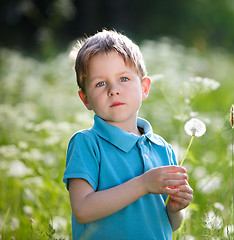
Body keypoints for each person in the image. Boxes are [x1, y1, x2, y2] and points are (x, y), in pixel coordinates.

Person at [63, 29, 193, 240]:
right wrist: (143, 184)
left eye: (123, 78)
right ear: (85, 98)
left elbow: (170, 224)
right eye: (100, 83)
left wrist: (175, 208)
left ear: (144, 87)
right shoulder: (87, 143)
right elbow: (83, 209)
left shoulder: (162, 148)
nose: (113, 89)